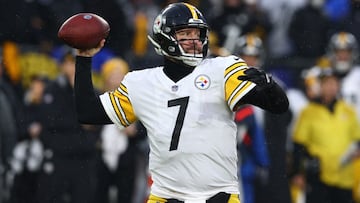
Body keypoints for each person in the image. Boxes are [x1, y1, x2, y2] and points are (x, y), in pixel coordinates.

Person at [73, 2, 289, 202]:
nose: (195, 40)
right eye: (186, 33)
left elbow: (278, 106)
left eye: (198, 34)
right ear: (165, 37)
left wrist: (270, 87)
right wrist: (84, 58)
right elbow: (88, 113)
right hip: (166, 196)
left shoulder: (221, 69)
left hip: (218, 196)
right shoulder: (140, 82)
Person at [35, 52, 101, 203]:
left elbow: (96, 122)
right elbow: (48, 121)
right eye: (68, 63)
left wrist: (76, 90)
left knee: (84, 197)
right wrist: (79, 124)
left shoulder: (91, 90)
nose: (71, 68)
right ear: (62, 65)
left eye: (75, 63)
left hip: (84, 159)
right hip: (59, 157)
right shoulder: (52, 90)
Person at [291, 68, 360, 203]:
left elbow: (357, 139)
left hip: (344, 176)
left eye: (334, 83)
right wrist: (298, 172)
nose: (331, 87)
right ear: (320, 86)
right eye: (327, 83)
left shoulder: (348, 110)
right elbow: (299, 145)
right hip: (318, 176)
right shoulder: (308, 112)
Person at [233, 34, 270, 203]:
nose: (249, 62)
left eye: (252, 57)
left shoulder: (271, 86)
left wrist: (263, 162)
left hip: (248, 158)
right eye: (245, 57)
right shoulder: (225, 82)